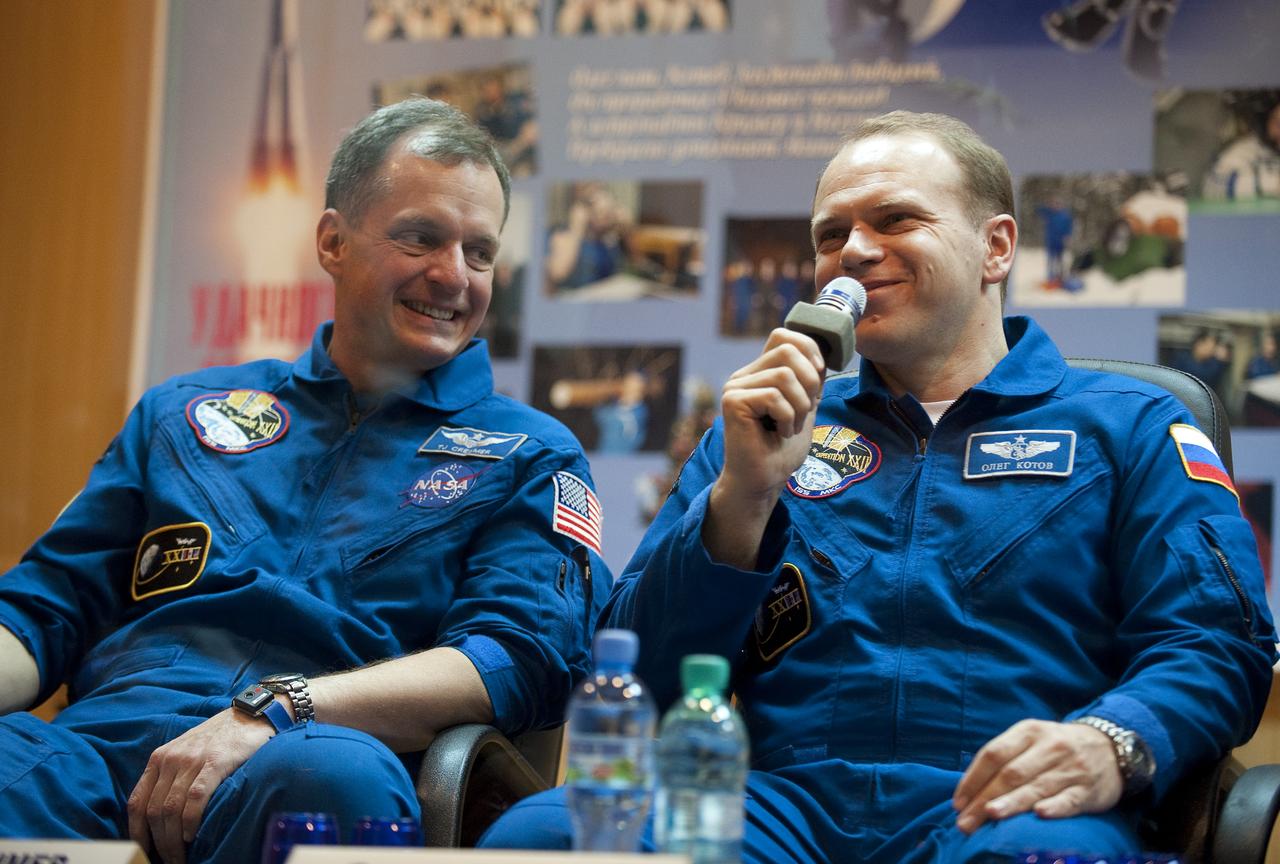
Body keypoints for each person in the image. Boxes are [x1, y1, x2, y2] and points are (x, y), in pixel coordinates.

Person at [480, 111, 1276, 861]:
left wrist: (1114, 741)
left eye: (895, 220)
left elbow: (1217, 640)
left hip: (1000, 802)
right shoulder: (761, 426)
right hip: (775, 804)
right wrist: (743, 498)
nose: (854, 250)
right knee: (549, 835)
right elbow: (635, 674)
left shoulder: (1130, 427)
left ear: (996, 248)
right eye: (832, 234)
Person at [0, 98, 606, 863]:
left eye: (479, 253)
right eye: (422, 236)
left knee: (333, 781)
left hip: (312, 752)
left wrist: (277, 710)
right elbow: (42, 607)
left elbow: (517, 659)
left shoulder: (530, 454)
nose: (453, 275)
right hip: (107, 743)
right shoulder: (183, 415)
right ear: (332, 241)